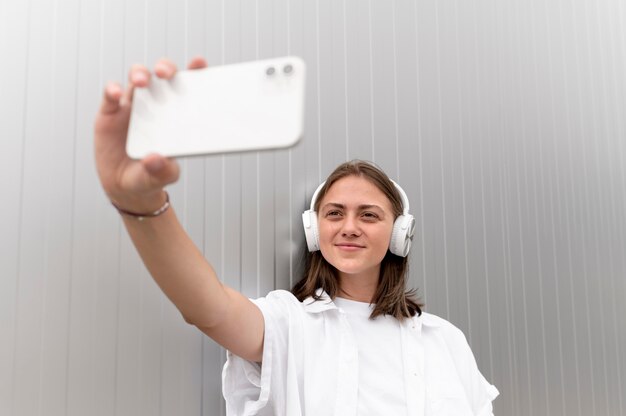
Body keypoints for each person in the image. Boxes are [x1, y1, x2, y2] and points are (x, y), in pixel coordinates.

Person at [95, 57, 499, 416]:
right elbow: (208, 308)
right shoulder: (288, 323)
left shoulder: (445, 339)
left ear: (400, 233)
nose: (349, 226)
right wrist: (141, 205)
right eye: (335, 213)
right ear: (314, 229)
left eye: (369, 215)